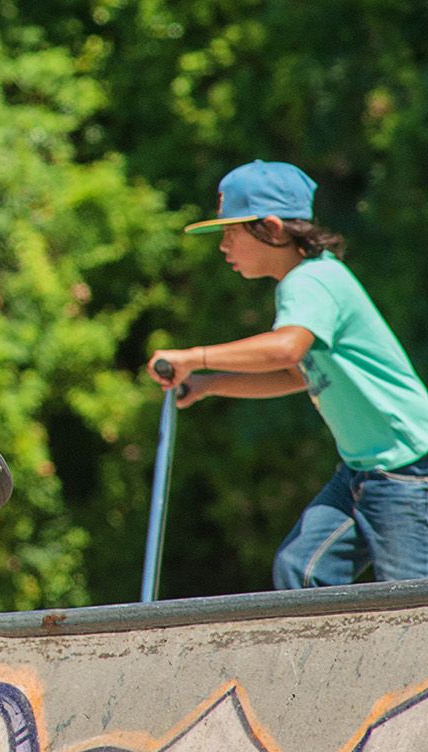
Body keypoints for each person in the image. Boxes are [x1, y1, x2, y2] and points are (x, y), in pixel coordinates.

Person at [148, 159, 428, 589]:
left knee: (408, 605)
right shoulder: (306, 283)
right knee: (302, 569)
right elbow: (299, 374)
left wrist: (195, 357)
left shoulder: (312, 281)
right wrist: (211, 385)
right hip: (362, 470)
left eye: (230, 233)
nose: (224, 247)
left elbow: (285, 349)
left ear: (273, 229)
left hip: (406, 469)